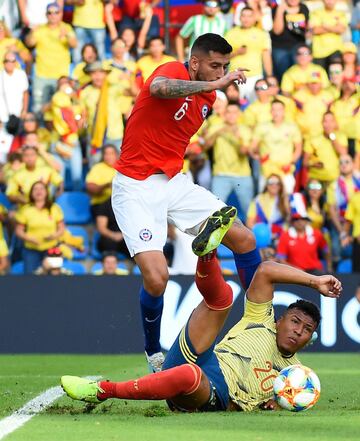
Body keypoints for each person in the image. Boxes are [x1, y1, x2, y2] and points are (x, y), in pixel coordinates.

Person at [111, 33, 261, 372]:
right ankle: (153, 352)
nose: (220, 72)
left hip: (174, 183)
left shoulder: (208, 100)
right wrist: (218, 83)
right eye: (214, 66)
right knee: (157, 278)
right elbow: (160, 90)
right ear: (194, 63)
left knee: (245, 239)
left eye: (225, 66)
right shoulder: (172, 72)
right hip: (135, 186)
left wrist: (214, 86)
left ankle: (258, 326)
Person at [61, 259, 342, 411]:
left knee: (188, 375)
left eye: (307, 330)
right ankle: (207, 252)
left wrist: (276, 405)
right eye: (295, 321)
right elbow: (266, 270)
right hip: (205, 357)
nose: (298, 331)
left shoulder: (297, 376)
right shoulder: (261, 320)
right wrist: (315, 281)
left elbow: (287, 403)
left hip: (214, 390)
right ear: (280, 320)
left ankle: (102, 390)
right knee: (223, 298)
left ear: (311, 339)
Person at [26, 2, 77, 114]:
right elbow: (29, 43)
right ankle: (39, 131)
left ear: (60, 14)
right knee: (39, 109)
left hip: (60, 77)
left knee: (60, 108)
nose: (53, 15)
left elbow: (74, 44)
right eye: (50, 13)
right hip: (41, 75)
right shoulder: (40, 29)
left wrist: (67, 35)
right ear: (46, 15)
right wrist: (32, 32)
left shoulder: (66, 27)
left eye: (56, 12)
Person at [15, 181, 65, 274]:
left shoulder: (55, 208)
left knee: (55, 274)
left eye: (41, 189)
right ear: (31, 193)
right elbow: (18, 230)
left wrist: (54, 236)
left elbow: (61, 228)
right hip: (31, 249)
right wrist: (28, 238)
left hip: (52, 249)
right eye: (35, 189)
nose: (39, 191)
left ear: (46, 192)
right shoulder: (25, 210)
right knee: (31, 278)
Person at [225, 6, 272, 103]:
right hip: (236, 77)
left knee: (256, 104)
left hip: (255, 77)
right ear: (239, 17)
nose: (246, 19)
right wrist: (237, 52)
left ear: (254, 18)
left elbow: (266, 57)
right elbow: (223, 57)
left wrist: (269, 75)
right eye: (243, 16)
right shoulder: (230, 33)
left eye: (249, 16)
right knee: (236, 106)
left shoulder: (261, 34)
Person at [271, 0, 310, 81]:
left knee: (299, 74)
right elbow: (277, 31)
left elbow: (307, 28)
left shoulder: (303, 8)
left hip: (298, 47)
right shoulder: (277, 8)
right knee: (283, 74)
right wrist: (280, 11)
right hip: (281, 47)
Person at [309, 0, 348, 72]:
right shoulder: (316, 13)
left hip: (335, 50)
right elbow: (315, 30)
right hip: (319, 52)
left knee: (335, 76)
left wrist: (325, 26)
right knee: (321, 77)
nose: (330, 1)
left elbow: (341, 30)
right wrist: (334, 27)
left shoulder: (340, 13)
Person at [0, 51, 29, 130]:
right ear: (3, 63)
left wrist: (24, 110)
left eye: (12, 61)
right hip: (2, 116)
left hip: (18, 115)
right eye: (7, 61)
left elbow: (25, 93)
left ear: (15, 63)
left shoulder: (21, 74)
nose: (10, 63)